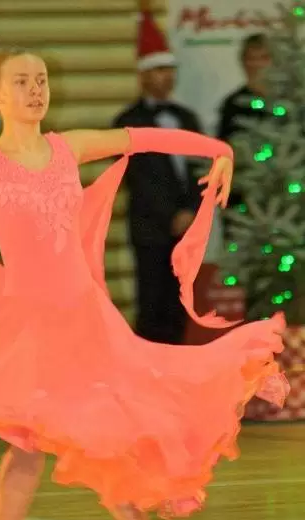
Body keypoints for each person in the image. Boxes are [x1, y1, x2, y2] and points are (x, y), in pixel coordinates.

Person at [0, 50, 289, 520]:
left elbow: (147, 139)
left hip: (85, 321)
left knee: (41, 446)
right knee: (84, 441)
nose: (35, 89)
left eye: (40, 80)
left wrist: (220, 150)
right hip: (28, 329)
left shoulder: (71, 147)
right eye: (21, 81)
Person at [113, 10, 204, 345]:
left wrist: (191, 210)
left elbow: (201, 169)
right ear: (142, 75)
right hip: (150, 230)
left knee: (179, 305)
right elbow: (138, 179)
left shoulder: (188, 118)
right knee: (151, 304)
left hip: (186, 230)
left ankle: (176, 367)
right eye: (157, 70)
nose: (165, 77)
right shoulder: (126, 122)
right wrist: (171, 216)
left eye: (169, 70)